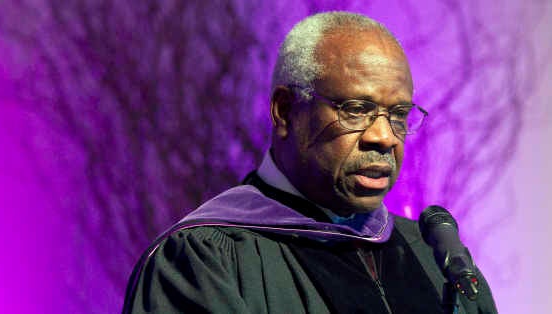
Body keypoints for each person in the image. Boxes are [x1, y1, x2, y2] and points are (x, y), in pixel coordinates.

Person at [122, 11, 497, 313]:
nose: (384, 137)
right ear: (285, 111)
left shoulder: (433, 257)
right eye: (356, 110)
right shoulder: (204, 262)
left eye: (398, 114)